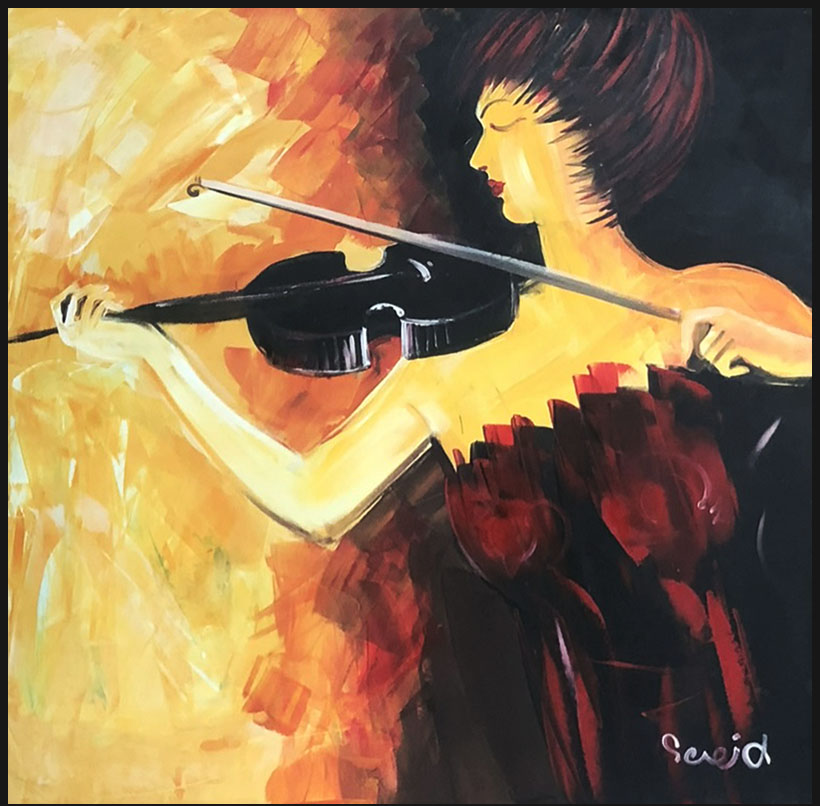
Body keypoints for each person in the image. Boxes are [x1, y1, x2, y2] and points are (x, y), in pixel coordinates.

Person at [51, 8, 812, 547]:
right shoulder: (460, 363)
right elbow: (312, 499)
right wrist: (157, 356)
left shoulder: (715, 300)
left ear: (593, 129)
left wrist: (785, 356)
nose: (479, 158)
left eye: (504, 127)